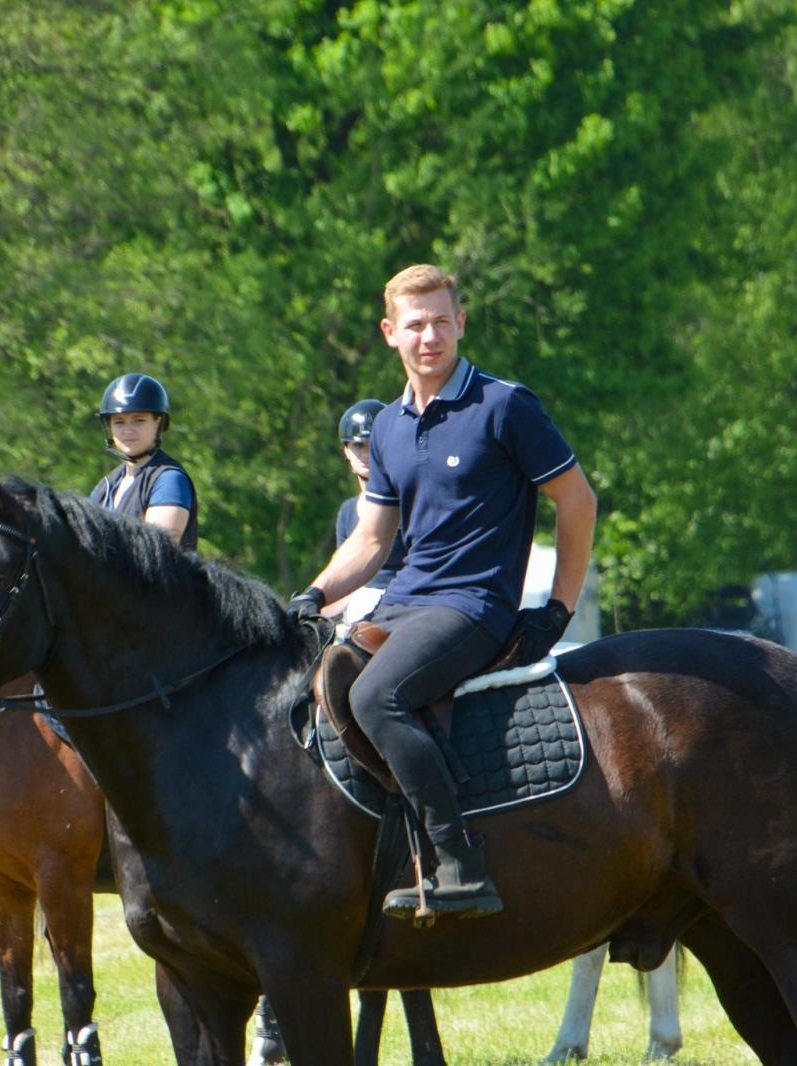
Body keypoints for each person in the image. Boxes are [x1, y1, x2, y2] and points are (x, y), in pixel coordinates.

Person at [289, 264, 597, 922]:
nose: (429, 335)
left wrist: (559, 606)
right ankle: (399, 835)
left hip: (472, 606)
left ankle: (458, 859)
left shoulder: (504, 405)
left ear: (460, 323)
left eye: (440, 321)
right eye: (415, 324)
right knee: (329, 681)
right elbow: (372, 541)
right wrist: (312, 594)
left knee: (379, 695)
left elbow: (576, 501)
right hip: (402, 601)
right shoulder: (391, 428)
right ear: (389, 332)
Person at [88, 373, 198, 549]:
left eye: (138, 420)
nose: (127, 430)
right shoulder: (106, 485)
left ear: (158, 422)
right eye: (119, 422)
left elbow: (156, 554)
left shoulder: (169, 480)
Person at [326, 398, 407, 626]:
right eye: (357, 445)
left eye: (372, 445)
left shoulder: (411, 502)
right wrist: (312, 607)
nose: (365, 453)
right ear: (346, 451)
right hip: (357, 610)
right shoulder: (347, 511)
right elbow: (346, 579)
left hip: (403, 607)